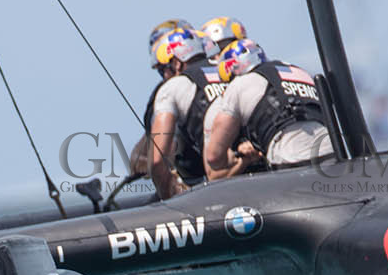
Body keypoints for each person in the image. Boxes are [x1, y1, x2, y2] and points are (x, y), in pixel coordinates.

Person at [203, 39, 334, 179]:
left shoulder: (239, 84)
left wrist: (240, 157)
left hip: (291, 163)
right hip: (332, 152)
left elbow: (214, 157)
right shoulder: (300, 72)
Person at [140, 27, 224, 197]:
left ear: (177, 62)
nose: (163, 76)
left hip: (216, 184)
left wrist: (167, 197)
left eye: (163, 69)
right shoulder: (230, 71)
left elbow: (158, 160)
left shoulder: (173, 87)